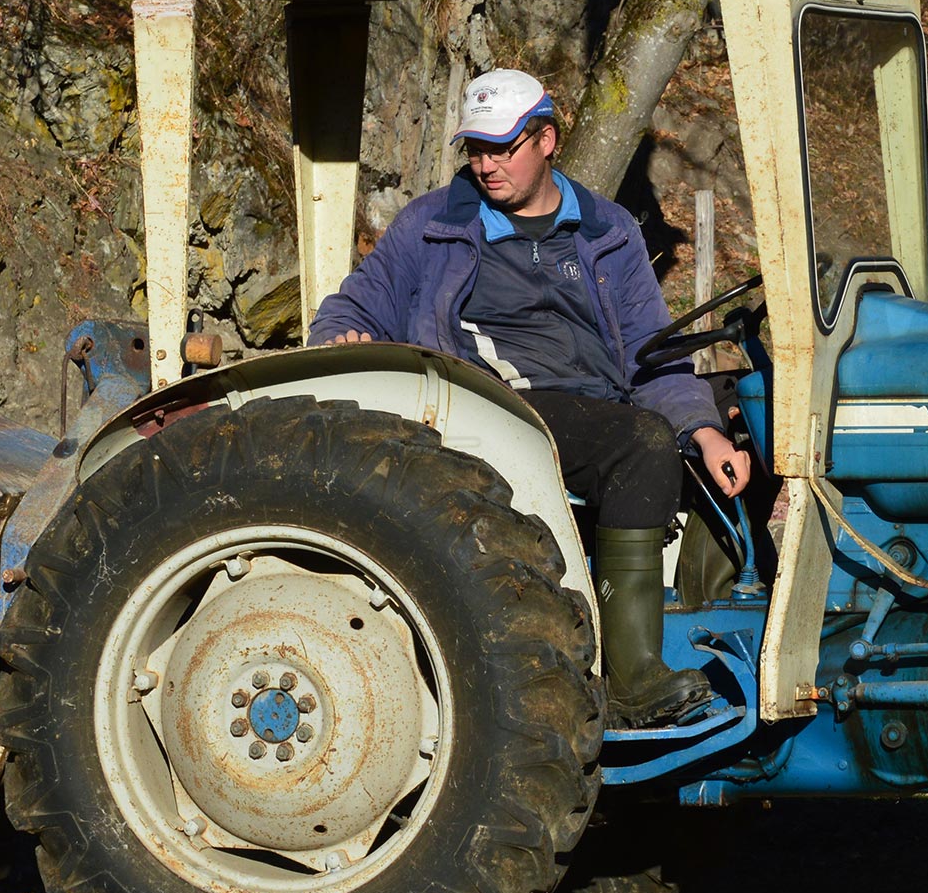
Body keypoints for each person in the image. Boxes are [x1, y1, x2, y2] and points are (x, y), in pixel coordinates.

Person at [308, 69, 752, 728]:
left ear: (546, 139)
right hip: (487, 408)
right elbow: (357, 302)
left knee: (741, 425)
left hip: (593, 406)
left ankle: (716, 626)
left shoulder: (607, 231)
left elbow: (650, 354)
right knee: (638, 442)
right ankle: (631, 682)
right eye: (476, 150)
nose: (486, 166)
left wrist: (704, 428)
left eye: (503, 147)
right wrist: (340, 336)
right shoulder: (433, 224)